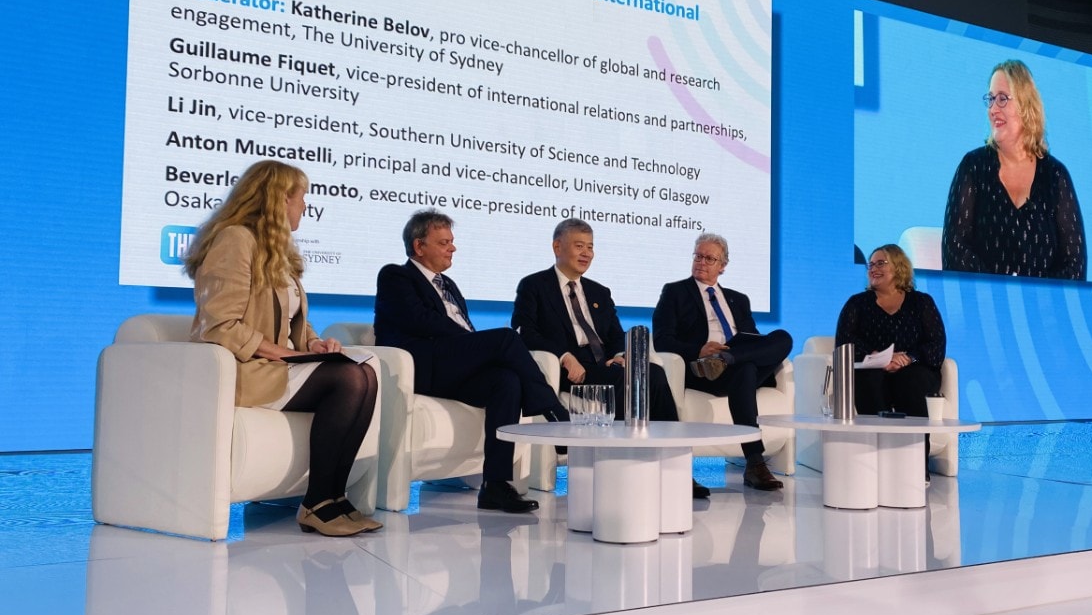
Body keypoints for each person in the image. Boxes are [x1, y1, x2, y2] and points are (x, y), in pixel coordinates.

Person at [184, 160, 380, 537]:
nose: (305, 206)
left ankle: (335, 498)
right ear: (278, 199)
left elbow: (294, 321)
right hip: (245, 370)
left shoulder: (277, 250)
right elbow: (220, 325)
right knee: (349, 379)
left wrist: (313, 343)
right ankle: (317, 502)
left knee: (365, 371)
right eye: (301, 197)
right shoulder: (235, 240)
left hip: (273, 365)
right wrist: (281, 353)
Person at [373, 210, 568, 514]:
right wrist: (474, 343)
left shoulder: (449, 284)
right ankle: (554, 412)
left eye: (452, 241)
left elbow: (463, 329)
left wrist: (474, 346)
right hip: (420, 365)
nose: (453, 248)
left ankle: (495, 485)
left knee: (507, 381)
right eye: (444, 242)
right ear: (419, 246)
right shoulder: (396, 275)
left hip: (452, 364)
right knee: (505, 338)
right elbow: (420, 320)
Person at [512, 219, 708, 499]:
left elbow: (616, 334)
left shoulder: (599, 292)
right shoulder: (534, 286)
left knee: (652, 372)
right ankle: (623, 468)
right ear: (557, 246)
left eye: (590, 247)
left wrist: (621, 354)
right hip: (570, 371)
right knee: (625, 382)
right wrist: (564, 356)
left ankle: (675, 467)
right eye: (579, 246)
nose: (586, 253)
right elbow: (524, 331)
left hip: (604, 365)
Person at [653, 232, 793, 491]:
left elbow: (753, 338)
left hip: (734, 359)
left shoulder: (738, 299)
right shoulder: (674, 292)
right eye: (698, 256)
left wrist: (734, 354)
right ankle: (754, 462)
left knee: (783, 338)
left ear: (723, 265)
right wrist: (700, 349)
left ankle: (730, 357)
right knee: (747, 370)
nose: (701, 262)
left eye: (709, 258)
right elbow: (662, 341)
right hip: (705, 369)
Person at [942, 59, 1087, 280]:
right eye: (990, 99)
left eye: (1002, 99)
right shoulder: (973, 167)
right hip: (984, 304)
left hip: (1043, 311)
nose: (992, 109)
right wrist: (1001, 292)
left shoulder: (1056, 175)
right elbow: (954, 250)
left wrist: (1036, 298)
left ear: (1026, 105)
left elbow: (1074, 265)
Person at [835, 243, 946, 423]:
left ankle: (915, 447)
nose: (873, 269)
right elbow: (844, 341)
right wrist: (875, 356)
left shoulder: (922, 302)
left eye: (880, 263)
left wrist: (909, 358)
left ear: (898, 267)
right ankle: (874, 444)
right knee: (870, 379)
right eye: (870, 265)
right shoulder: (857, 304)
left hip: (913, 368)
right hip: (873, 367)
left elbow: (936, 344)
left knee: (913, 380)